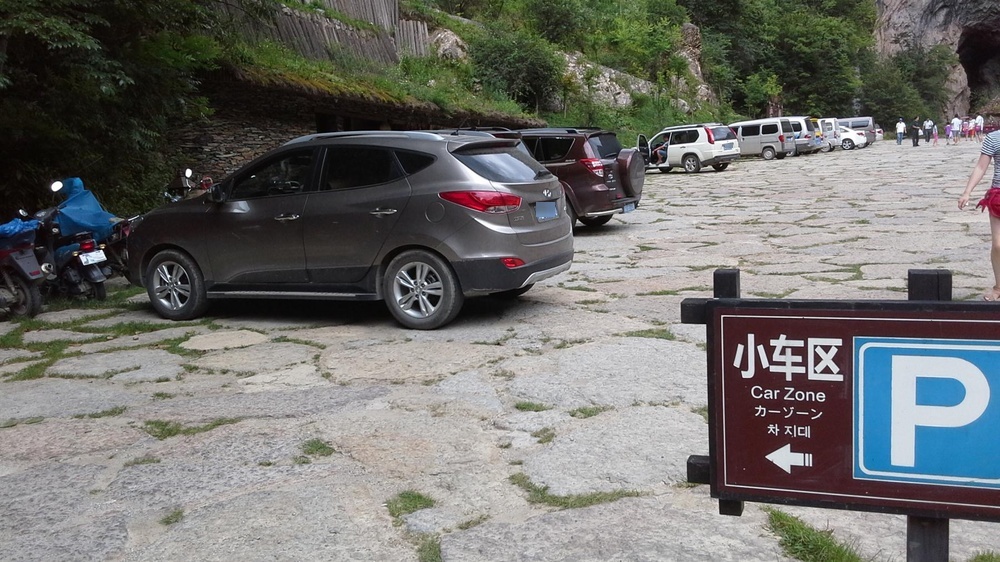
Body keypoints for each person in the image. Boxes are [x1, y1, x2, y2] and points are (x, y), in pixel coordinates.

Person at [958, 128, 1000, 300]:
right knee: (998, 245)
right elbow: (981, 166)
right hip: (998, 195)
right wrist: (967, 192)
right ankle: (998, 287)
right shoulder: (993, 138)